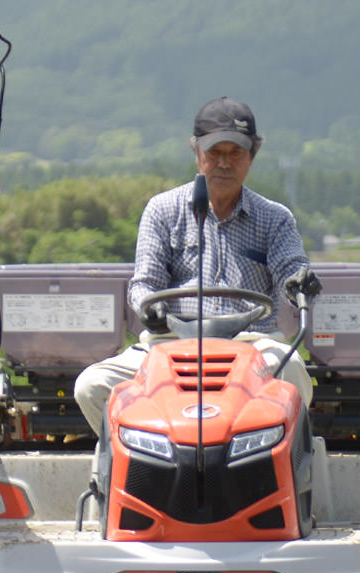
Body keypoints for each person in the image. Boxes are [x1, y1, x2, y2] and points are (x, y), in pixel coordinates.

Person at [74, 96, 321, 437]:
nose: (224, 163)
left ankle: (273, 460)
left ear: (253, 154)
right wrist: (151, 309)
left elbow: (290, 266)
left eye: (235, 153)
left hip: (251, 344)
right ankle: (145, 459)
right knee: (91, 386)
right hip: (170, 342)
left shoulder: (275, 218)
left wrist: (299, 281)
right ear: (196, 151)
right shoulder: (162, 210)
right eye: (214, 152)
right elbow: (144, 284)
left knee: (291, 369)